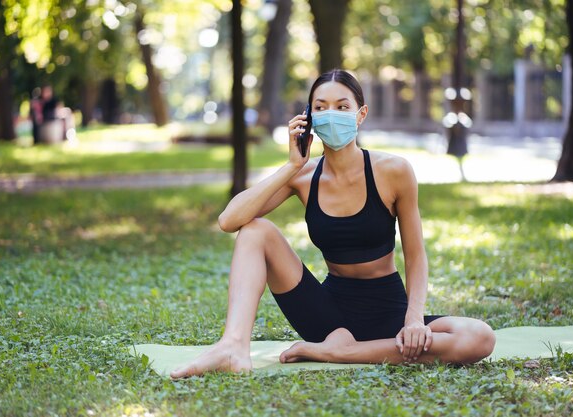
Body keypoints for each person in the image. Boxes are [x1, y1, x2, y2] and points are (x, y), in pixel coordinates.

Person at [170, 69, 495, 379]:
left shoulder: (394, 170)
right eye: (320, 108)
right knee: (256, 230)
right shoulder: (303, 176)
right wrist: (291, 165)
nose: (331, 114)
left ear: (360, 114)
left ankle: (340, 353)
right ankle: (233, 347)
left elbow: (416, 254)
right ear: (308, 118)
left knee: (479, 337)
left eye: (342, 107)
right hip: (328, 319)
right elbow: (230, 220)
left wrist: (413, 319)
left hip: (389, 313)